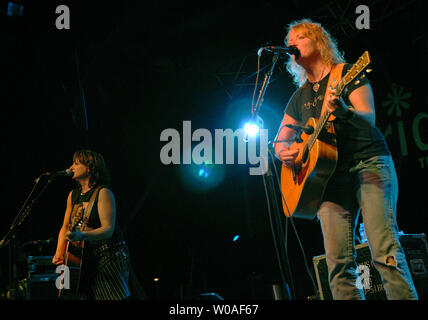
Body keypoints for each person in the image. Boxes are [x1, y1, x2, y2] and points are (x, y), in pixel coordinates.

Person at [274, 19, 418, 300]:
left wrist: (343, 112)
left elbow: (368, 119)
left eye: (301, 37)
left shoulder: (347, 73)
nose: (293, 44)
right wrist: (284, 152)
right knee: (337, 266)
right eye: (290, 39)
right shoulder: (298, 98)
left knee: (384, 251)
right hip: (329, 181)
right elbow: (280, 139)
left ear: (319, 42)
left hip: (369, 163)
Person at [52, 149, 131, 300]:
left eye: (76, 163)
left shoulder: (103, 192)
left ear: (89, 167)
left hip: (108, 254)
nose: (71, 167)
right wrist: (59, 251)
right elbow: (65, 226)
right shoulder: (72, 195)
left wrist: (81, 235)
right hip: (83, 258)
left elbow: (108, 229)